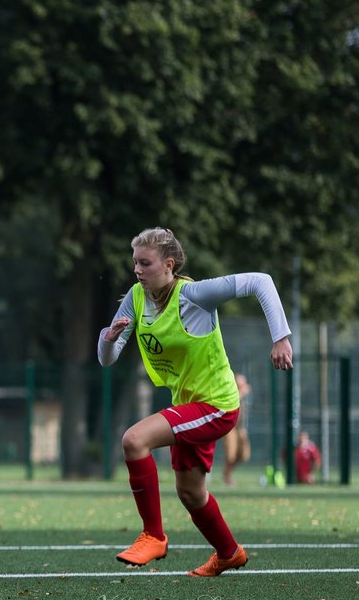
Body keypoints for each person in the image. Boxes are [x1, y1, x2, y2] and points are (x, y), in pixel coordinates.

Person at [98, 227, 293, 577]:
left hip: (216, 405)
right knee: (190, 493)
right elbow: (107, 359)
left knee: (134, 440)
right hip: (187, 404)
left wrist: (280, 338)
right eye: (135, 263)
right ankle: (229, 553)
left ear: (168, 264)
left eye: (145, 263)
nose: (137, 270)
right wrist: (108, 338)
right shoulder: (136, 297)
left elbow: (261, 281)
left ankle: (154, 536)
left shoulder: (195, 295)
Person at [221, 373, 252, 485]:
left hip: (240, 428)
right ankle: (227, 475)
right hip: (230, 428)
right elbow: (233, 400)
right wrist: (242, 393)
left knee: (244, 455)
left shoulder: (246, 395)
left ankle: (228, 473)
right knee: (231, 455)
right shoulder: (233, 393)